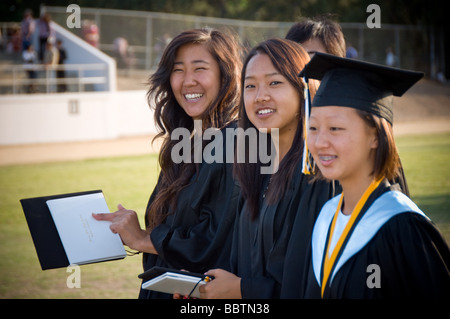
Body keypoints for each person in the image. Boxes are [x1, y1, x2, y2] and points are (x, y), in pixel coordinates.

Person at [93, 28, 242, 299]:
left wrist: (141, 238)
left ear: (225, 76)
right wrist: (126, 227)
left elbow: (214, 239)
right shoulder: (185, 142)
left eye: (200, 69)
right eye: (178, 70)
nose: (187, 81)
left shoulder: (235, 142)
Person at [299, 52, 450, 298]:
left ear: (375, 135)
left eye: (335, 128)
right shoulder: (327, 217)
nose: (319, 141)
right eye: (313, 128)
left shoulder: (403, 227)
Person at [198, 39, 336, 299]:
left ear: (303, 90)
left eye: (274, 83)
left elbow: (314, 285)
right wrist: (208, 287)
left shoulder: (318, 176)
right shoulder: (256, 172)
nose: (260, 96)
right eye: (250, 86)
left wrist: (241, 290)